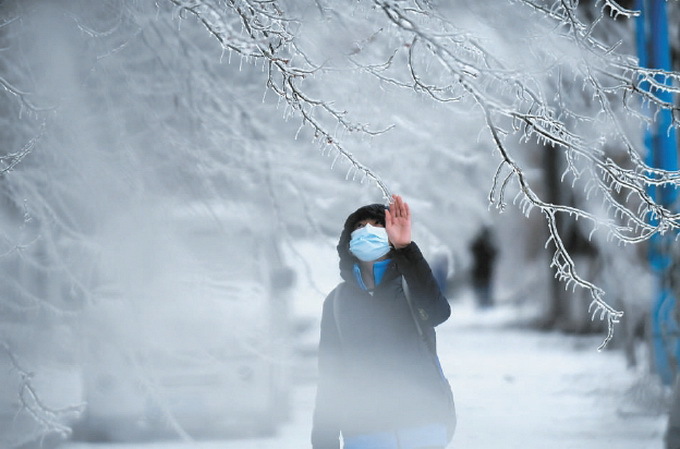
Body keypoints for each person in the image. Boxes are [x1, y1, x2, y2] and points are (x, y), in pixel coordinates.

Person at [311, 194, 455, 449]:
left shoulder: (412, 286)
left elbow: (438, 313)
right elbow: (330, 374)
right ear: (348, 240)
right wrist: (324, 440)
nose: (368, 230)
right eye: (359, 226)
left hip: (422, 423)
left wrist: (406, 250)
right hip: (364, 431)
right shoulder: (337, 302)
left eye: (378, 225)